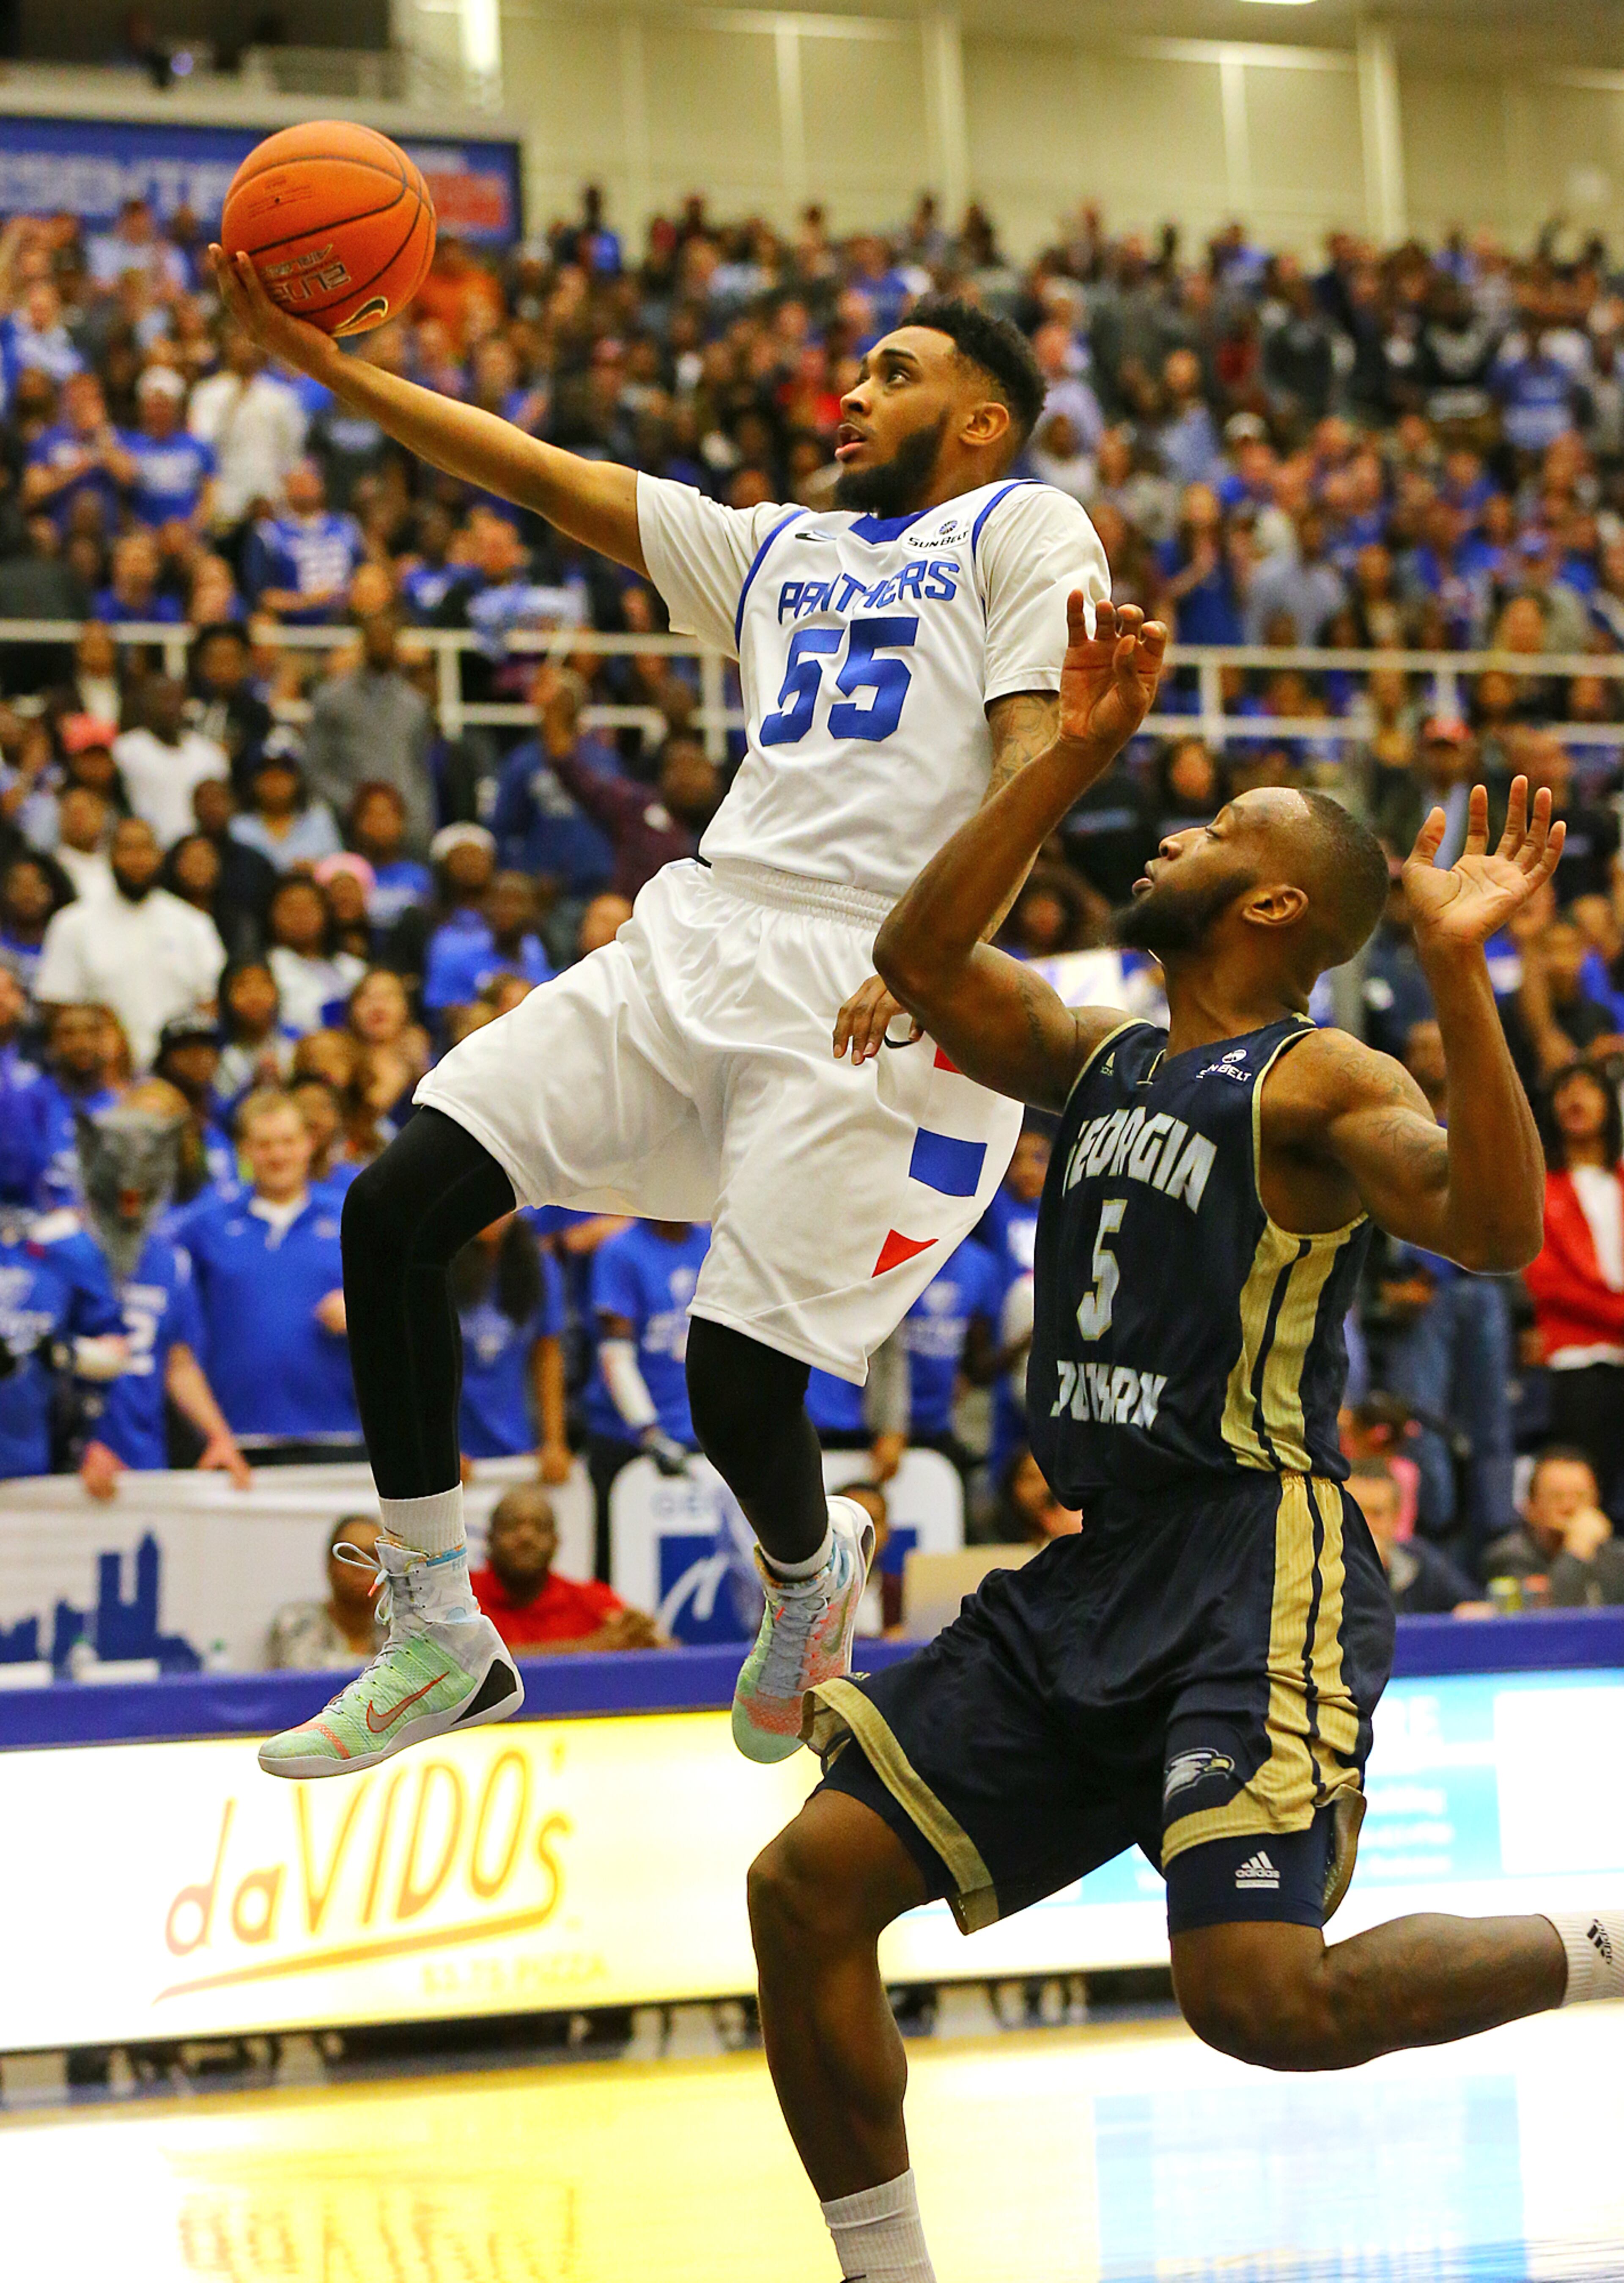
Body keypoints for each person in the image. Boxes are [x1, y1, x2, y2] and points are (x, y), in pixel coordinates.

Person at [747, 598, 1620, 2283]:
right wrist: (1069, 750)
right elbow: (922, 962)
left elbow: (1494, 1227)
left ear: (1278, 899)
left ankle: (1602, 1938)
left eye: (1218, 827)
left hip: (1254, 1553)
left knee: (1261, 2001)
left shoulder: (1318, 1078)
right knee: (806, 1887)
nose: (1177, 829)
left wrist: (1456, 964)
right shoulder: (1103, 1055)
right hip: (1098, 1564)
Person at [212, 249, 1111, 1782]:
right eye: (861, 367)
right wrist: (336, 373)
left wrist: (941, 941)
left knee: (734, 1381)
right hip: (701, 931)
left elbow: (1042, 742)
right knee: (399, 1201)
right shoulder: (778, 548)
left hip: (878, 976)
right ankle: (437, 1623)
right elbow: (548, 476)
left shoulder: (1024, 522)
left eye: (896, 372)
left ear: (982, 420)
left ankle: (809, 1568)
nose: (853, 388)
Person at [69, 1086, 250, 1498]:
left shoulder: (169, 1261)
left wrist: (219, 1436)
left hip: (146, 1465)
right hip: (68, 1472)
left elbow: (179, 1363)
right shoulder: (59, 1249)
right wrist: (79, 1446)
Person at [180, 1088, 359, 1453]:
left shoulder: (353, 1217)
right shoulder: (205, 1226)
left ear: (309, 1143)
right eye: (264, 1145)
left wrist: (366, 1308)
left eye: (288, 1142)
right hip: (236, 1440)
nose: (278, 1155)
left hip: (341, 1432)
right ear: (244, 1150)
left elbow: (406, 1305)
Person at [34, 816, 224, 1073]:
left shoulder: (193, 924)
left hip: (180, 1074)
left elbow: (211, 1002)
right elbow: (57, 1004)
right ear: (109, 855)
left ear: (160, 855)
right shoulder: (72, 924)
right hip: (98, 1074)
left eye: (145, 849)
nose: (137, 860)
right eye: (127, 849)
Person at [1521, 1061, 1624, 1516]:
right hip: (1577, 1356)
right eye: (1565, 1089)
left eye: (1589, 1088)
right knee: (1588, 1488)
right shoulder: (1540, 1187)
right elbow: (1548, 1281)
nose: (1575, 1098)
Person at [581, 1218, 710, 1568]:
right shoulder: (620, 1251)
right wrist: (647, 1430)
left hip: (702, 1436)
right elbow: (615, 1355)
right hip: (627, 1442)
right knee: (623, 1563)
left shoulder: (716, 1242)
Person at [469, 1484, 661, 1655]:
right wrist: (593, 1648)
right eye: (512, 1526)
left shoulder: (593, 1600)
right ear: (489, 1539)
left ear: (556, 1541)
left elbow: (664, 1654)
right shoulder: (460, 1599)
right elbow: (473, 1667)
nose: (526, 1537)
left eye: (540, 1528)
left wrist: (644, 1638)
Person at [303, 610, 435, 854]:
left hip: (402, 827)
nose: (381, 642)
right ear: (363, 642)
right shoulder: (331, 698)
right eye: (375, 636)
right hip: (344, 821)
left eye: (388, 636)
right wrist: (354, 807)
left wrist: (411, 817)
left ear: (397, 643)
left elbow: (421, 772)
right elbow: (315, 766)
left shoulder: (415, 704)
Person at [451, 1212, 571, 1476]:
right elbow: (423, 1365)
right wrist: (439, 1448)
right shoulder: (439, 1267)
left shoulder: (541, 1266)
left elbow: (548, 1356)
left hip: (518, 1443)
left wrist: (554, 1442)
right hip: (456, 1445)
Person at [1482, 1446, 1624, 1607]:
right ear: (1531, 1508)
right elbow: (1550, 1617)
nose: (1569, 1506)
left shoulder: (1618, 1559)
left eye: (1581, 1496)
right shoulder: (1510, 1558)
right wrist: (1577, 1551)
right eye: (1557, 1497)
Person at [1347, 1462, 1480, 1617]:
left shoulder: (1419, 1562)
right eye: (1355, 1511)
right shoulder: (1317, 1567)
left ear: (1395, 1519)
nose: (1365, 1524)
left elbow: (1478, 1606)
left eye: (1377, 1514)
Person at [110, 678, 230, 850]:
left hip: (200, 852)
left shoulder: (210, 753)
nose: (170, 707)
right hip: (148, 851)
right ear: (146, 704)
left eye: (176, 699)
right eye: (162, 698)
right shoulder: (125, 749)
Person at [265, 1514, 387, 1670]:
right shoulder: (295, 1623)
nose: (361, 1566)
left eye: (372, 1556)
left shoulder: (403, 1629)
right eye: (349, 1555)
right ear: (330, 1564)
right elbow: (301, 1679)